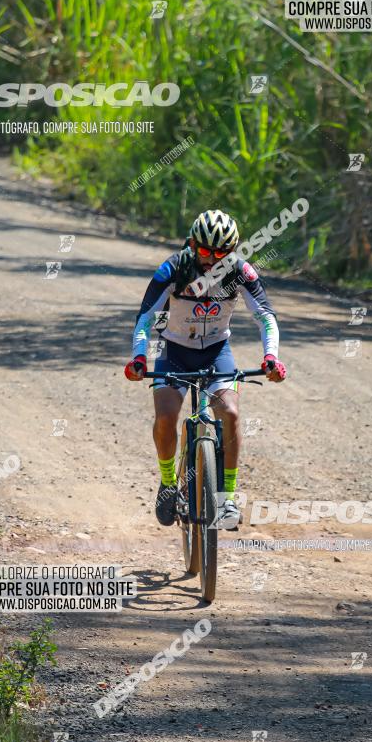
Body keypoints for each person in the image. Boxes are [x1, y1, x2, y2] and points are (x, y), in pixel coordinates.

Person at [124, 209, 286, 529]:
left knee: (230, 413)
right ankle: (169, 483)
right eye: (204, 251)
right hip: (174, 352)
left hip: (216, 353)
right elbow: (144, 318)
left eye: (220, 252)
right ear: (192, 244)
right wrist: (139, 357)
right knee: (167, 417)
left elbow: (265, 317)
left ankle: (226, 499)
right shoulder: (173, 269)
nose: (211, 259)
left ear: (233, 250)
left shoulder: (241, 272)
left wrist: (271, 357)